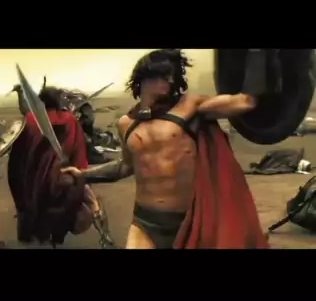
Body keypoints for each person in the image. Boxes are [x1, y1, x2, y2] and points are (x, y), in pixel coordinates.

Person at [65, 48, 269, 249]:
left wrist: (257, 53)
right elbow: (124, 167)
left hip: (189, 223)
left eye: (172, 76)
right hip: (145, 223)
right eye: (164, 75)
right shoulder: (126, 124)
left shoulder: (190, 106)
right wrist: (83, 175)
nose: (170, 81)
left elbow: (245, 101)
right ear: (145, 77)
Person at [7, 85, 114, 247]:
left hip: (35, 183)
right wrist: (80, 177)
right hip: (64, 180)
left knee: (36, 216)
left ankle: (43, 238)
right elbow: (78, 152)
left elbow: (19, 157)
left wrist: (22, 182)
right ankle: (105, 237)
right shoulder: (69, 119)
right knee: (92, 202)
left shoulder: (30, 120)